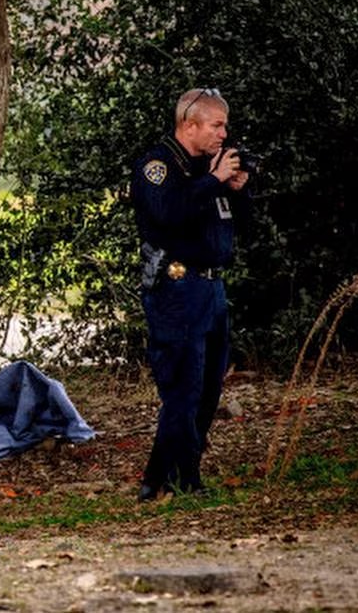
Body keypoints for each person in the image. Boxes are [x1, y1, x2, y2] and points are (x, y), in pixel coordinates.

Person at [129, 87, 250, 501]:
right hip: (177, 288)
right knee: (184, 389)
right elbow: (168, 214)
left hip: (212, 289)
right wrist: (212, 180)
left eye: (225, 126)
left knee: (208, 390)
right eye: (217, 125)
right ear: (190, 125)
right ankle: (185, 479)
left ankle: (156, 478)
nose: (224, 134)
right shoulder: (158, 165)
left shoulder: (207, 169)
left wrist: (235, 188)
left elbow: (230, 227)